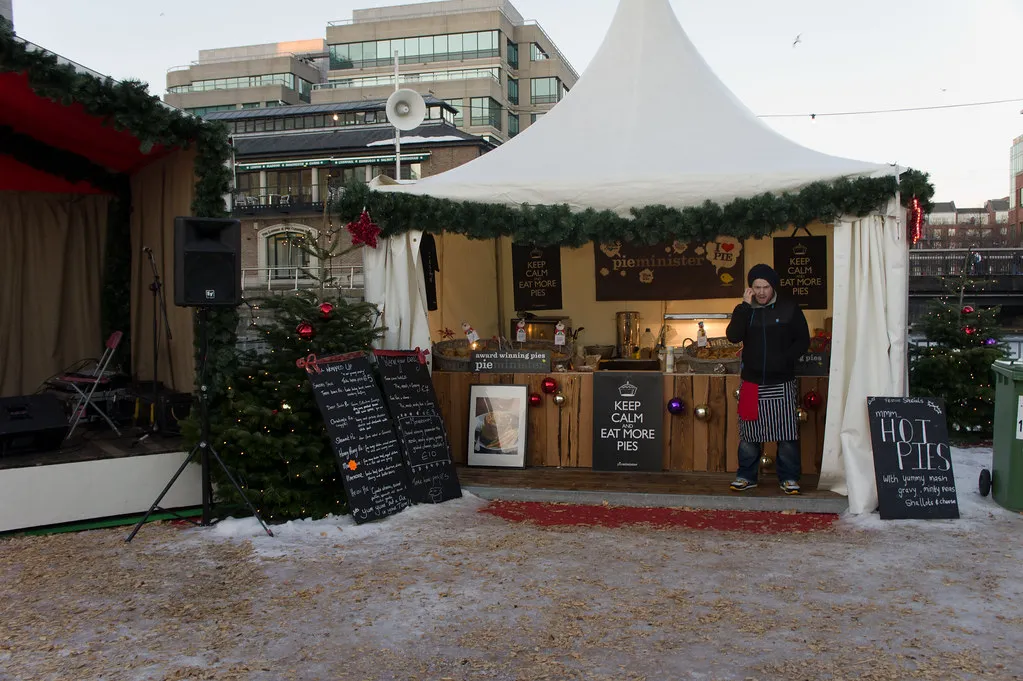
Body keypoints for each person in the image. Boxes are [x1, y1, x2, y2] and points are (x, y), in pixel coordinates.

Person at [725, 263, 810, 495]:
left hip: (782, 381)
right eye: (756, 287)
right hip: (751, 382)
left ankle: (790, 478)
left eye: (766, 287)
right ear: (750, 289)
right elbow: (733, 337)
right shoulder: (744, 310)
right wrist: (744, 306)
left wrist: (786, 359)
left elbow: (803, 341)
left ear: (774, 287)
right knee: (749, 433)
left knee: (787, 433)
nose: (761, 292)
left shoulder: (789, 308)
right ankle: (746, 476)